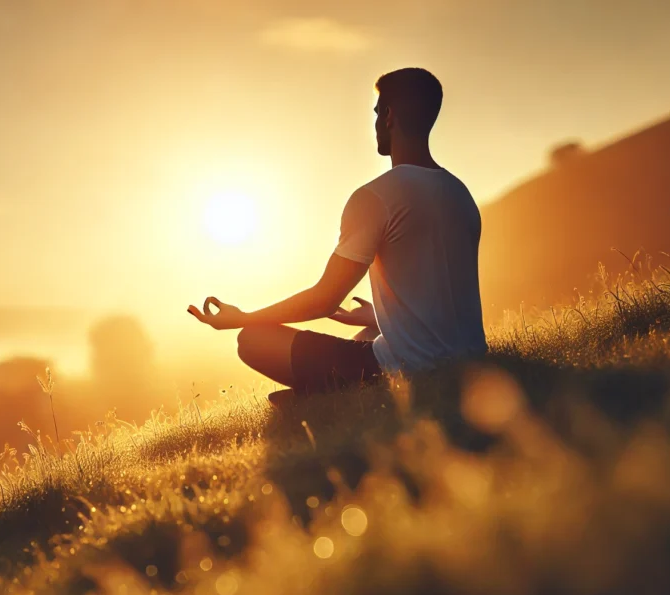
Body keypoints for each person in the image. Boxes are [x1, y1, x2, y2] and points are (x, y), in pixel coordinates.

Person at [188, 68, 487, 396]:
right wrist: (377, 316)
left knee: (253, 339)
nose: (374, 123)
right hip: (471, 362)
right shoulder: (460, 194)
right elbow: (445, 291)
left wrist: (243, 317)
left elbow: (324, 300)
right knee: (366, 335)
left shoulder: (375, 197)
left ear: (388, 116)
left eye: (376, 112)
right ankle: (315, 393)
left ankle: (319, 396)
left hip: (409, 369)